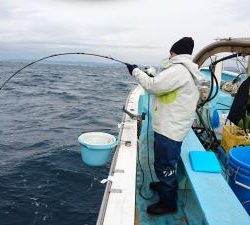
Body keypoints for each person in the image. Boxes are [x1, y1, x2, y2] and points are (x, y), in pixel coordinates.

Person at [126, 37, 201, 215]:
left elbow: (153, 86)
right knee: (163, 162)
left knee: (165, 165)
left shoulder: (178, 70)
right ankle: (163, 186)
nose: (169, 55)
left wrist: (135, 71)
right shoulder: (182, 70)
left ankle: (169, 203)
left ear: (176, 53)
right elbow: (162, 84)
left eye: (171, 52)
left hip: (170, 128)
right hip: (172, 126)